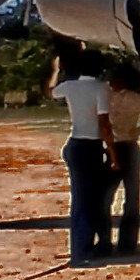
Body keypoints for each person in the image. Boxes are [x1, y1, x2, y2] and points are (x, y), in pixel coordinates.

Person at [47, 48, 117, 265]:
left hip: (75, 144)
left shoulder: (69, 86)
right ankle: (85, 250)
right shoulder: (101, 88)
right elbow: (104, 123)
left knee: (80, 199)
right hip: (92, 146)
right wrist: (112, 152)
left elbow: (51, 91)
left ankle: (80, 248)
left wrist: (55, 70)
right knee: (93, 200)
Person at [103, 66, 140, 255]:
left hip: (113, 146)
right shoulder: (133, 98)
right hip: (129, 146)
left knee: (105, 196)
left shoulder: (108, 96)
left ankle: (104, 240)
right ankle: (127, 243)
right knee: (131, 198)